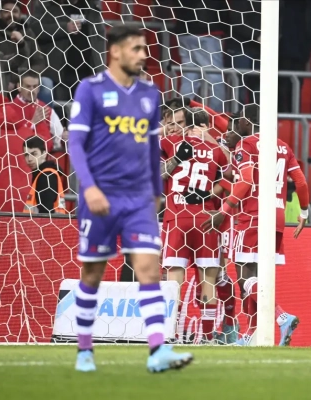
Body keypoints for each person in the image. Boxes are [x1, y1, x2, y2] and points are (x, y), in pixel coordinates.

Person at [67, 26, 193, 373]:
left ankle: (158, 350)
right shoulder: (90, 89)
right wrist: (89, 187)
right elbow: (75, 143)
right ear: (116, 52)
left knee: (149, 269)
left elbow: (152, 147)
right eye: (136, 48)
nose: (143, 55)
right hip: (101, 196)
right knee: (93, 273)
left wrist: (156, 191)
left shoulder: (150, 94)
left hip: (138, 198)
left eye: (144, 48)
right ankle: (84, 351)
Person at [201, 104, 309, 346]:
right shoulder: (283, 146)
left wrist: (224, 210)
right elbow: (300, 182)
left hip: (252, 216)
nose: (233, 126)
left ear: (247, 122)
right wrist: (304, 212)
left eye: (237, 121)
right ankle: (249, 336)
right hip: (277, 216)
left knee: (244, 277)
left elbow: (247, 180)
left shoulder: (247, 144)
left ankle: (282, 317)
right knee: (258, 280)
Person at [160, 107, 228, 344]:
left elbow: (156, 171)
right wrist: (210, 193)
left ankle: (173, 334)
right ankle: (208, 338)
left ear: (185, 125)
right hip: (206, 218)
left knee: (174, 281)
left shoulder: (171, 142)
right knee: (208, 282)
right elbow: (231, 176)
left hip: (177, 218)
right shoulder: (216, 150)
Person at [23, 136, 67, 214]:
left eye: (34, 154)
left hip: (45, 222)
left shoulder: (46, 176)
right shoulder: (44, 173)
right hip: (53, 221)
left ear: (44, 154)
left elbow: (46, 213)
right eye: (26, 155)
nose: (29, 159)